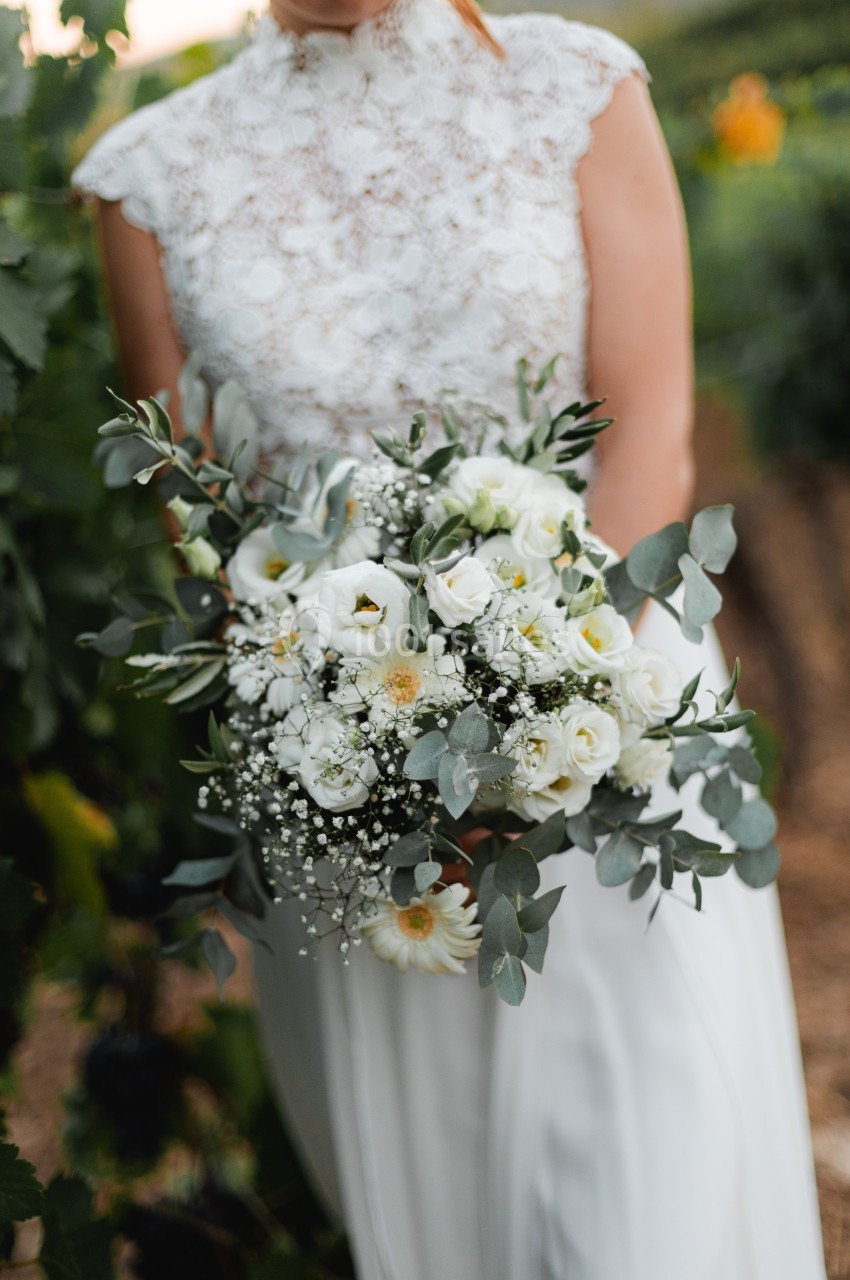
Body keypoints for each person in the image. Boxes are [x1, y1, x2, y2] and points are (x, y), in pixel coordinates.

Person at [71, 1, 827, 1276]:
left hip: (606, 730)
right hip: (339, 782)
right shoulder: (146, 176)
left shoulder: (577, 87)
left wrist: (551, 706)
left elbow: (648, 422)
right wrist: (370, 743)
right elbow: (195, 518)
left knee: (653, 1203)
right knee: (439, 1215)